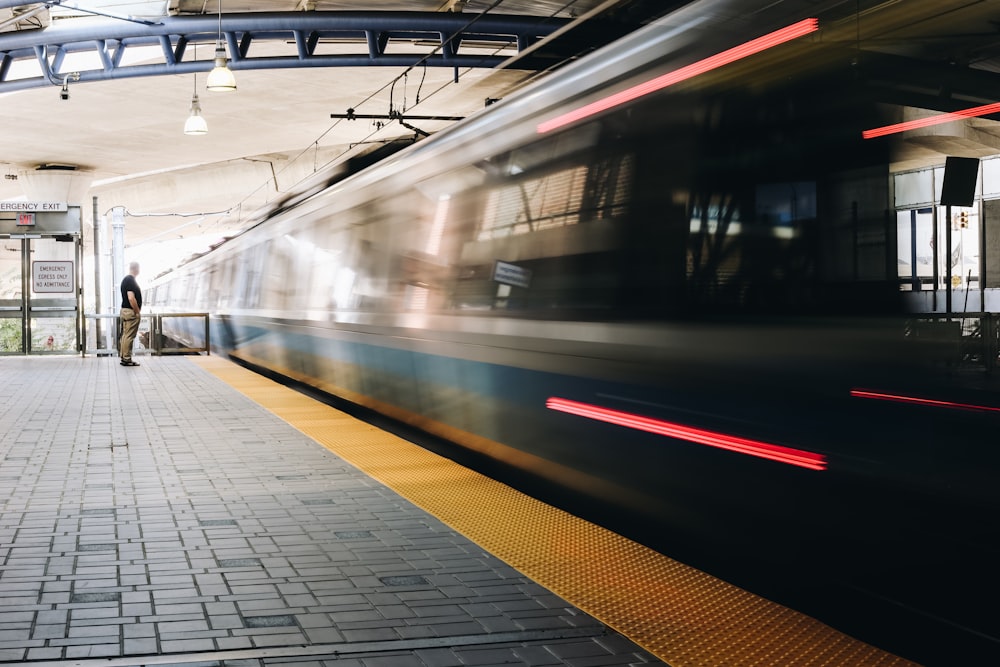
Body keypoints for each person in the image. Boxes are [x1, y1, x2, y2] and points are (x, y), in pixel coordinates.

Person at [119, 261, 142, 367]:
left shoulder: (126, 280)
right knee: (129, 336)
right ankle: (127, 359)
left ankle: (124, 357)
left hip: (125, 310)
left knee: (125, 335)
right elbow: (131, 297)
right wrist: (137, 312)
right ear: (136, 269)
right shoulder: (130, 280)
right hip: (130, 311)